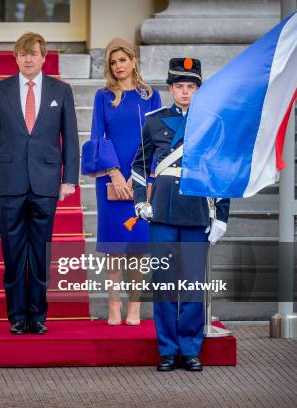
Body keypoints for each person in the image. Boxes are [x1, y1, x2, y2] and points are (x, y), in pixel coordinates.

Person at [131, 58, 230, 372]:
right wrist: (138, 202)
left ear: (198, 89)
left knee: (191, 286)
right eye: (179, 86)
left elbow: (220, 173)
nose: (185, 92)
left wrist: (222, 216)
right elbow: (138, 165)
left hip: (196, 212)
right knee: (163, 285)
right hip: (161, 213)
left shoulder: (212, 123)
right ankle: (167, 350)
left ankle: (189, 348)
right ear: (171, 88)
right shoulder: (154, 120)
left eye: (191, 86)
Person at [0, 32, 79, 335]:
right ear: (15, 57)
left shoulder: (61, 91)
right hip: (9, 183)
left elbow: (70, 137)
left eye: (33, 53)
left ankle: (38, 316)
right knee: (12, 254)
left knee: (39, 253)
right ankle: (16, 316)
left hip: (46, 183)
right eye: (23, 54)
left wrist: (69, 179)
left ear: (43, 56)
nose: (28, 58)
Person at [81, 37, 162, 325]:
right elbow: (97, 137)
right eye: (113, 62)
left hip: (141, 177)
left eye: (123, 60)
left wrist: (139, 175)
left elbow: (157, 138)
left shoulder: (150, 95)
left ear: (133, 60)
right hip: (109, 180)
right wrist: (115, 174)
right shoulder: (103, 96)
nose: (118, 66)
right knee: (114, 245)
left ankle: (135, 306)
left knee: (139, 245)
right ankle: (113, 304)